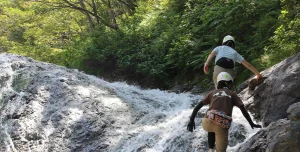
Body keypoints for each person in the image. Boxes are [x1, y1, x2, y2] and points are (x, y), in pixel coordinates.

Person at [187, 72, 262, 152]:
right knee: (218, 125)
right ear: (230, 84)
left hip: (206, 123)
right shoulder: (232, 94)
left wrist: (191, 120)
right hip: (221, 125)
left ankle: (211, 149)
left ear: (218, 84)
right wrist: (251, 123)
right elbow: (243, 111)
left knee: (212, 118)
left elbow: (198, 107)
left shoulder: (212, 93)